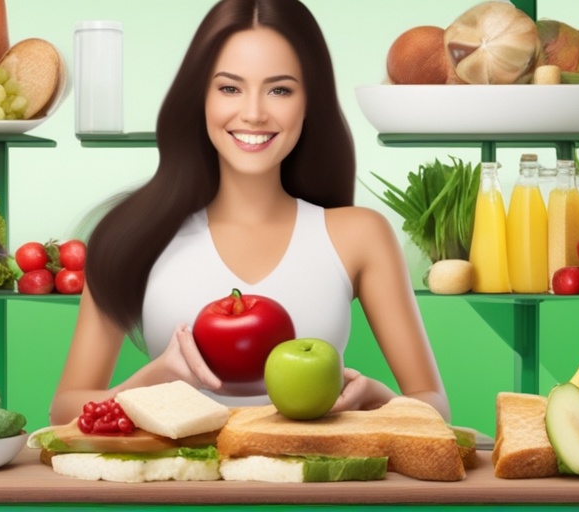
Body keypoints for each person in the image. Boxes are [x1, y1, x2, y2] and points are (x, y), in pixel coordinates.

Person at [49, 0, 449, 424]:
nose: (254, 113)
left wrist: (378, 399)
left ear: (309, 101)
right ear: (199, 97)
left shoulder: (359, 235)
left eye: (280, 89)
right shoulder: (132, 234)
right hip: (175, 486)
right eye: (229, 88)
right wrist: (153, 378)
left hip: (308, 485)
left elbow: (435, 407)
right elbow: (63, 412)